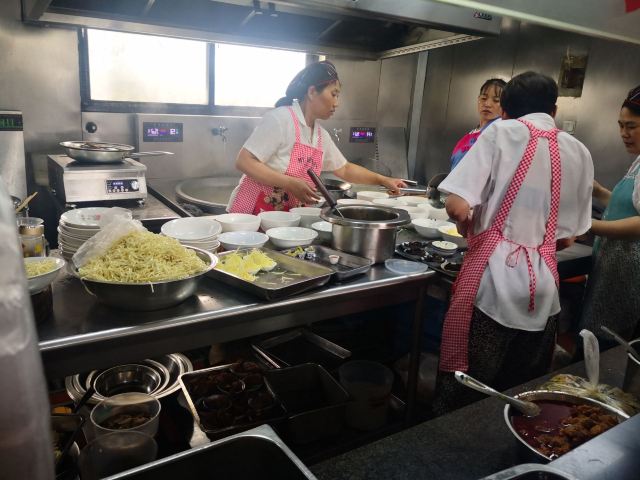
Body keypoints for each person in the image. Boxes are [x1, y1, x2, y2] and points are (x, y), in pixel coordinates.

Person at [432, 71, 594, 414]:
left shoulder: (500, 133)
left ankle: (451, 441)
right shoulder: (578, 150)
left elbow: (457, 205)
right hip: (544, 295)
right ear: (553, 109)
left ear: (504, 110)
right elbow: (568, 238)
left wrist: (469, 225)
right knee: (521, 393)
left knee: (467, 389)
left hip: (492, 290)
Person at [227, 61, 406, 213]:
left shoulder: (320, 136)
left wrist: (383, 180)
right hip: (251, 214)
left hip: (282, 219)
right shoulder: (280, 119)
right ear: (312, 92)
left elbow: (345, 169)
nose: (337, 103)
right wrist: (289, 183)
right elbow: (244, 161)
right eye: (333, 94)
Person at [580, 85, 640, 346]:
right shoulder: (638, 161)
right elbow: (629, 205)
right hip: (613, 266)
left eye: (632, 126)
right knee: (596, 334)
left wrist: (589, 225)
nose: (624, 134)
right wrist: (599, 191)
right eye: (621, 126)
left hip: (629, 272)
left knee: (609, 342)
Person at [449, 78, 507, 170]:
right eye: (484, 98)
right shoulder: (471, 134)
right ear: (478, 99)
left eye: (496, 100)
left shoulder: (500, 131)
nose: (487, 104)